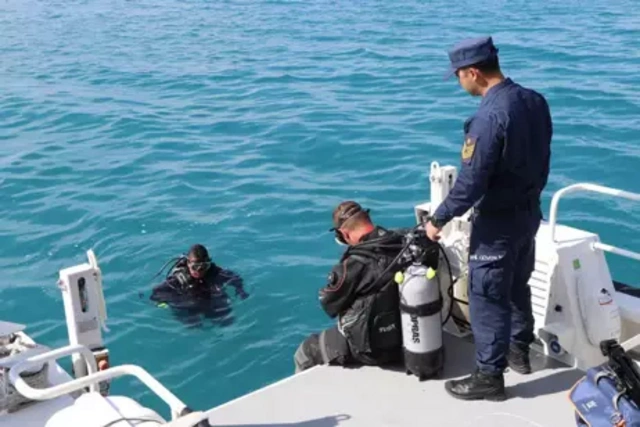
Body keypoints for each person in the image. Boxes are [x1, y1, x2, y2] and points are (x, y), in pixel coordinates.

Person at [425, 36, 552, 401]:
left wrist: (438, 219)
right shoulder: (534, 101)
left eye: (458, 76)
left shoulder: (489, 117)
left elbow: (471, 182)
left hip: (497, 223)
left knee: (487, 296)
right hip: (529, 215)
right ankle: (518, 351)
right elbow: (543, 157)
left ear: (473, 72)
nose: (458, 83)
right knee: (516, 286)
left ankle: (488, 377)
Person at [293, 201, 437, 373]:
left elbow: (329, 305)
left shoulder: (352, 266)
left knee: (305, 352)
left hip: (374, 351)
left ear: (344, 234)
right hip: (411, 339)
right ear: (367, 218)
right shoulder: (404, 243)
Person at [149, 244, 248, 326]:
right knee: (194, 326)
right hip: (188, 304)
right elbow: (156, 294)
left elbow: (235, 278)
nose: (199, 271)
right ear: (188, 263)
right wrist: (166, 305)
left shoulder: (215, 272)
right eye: (195, 267)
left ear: (208, 264)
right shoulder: (179, 278)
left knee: (227, 321)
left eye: (203, 267)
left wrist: (240, 290)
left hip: (210, 299)